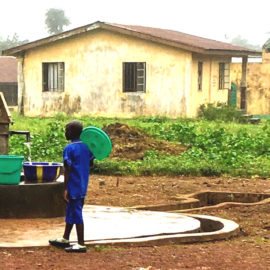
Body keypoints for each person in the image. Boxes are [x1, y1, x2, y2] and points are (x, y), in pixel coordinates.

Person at [49, 120, 94, 253]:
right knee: (71, 211)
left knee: (76, 213)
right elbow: (90, 163)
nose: (65, 133)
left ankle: (81, 244)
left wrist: (65, 188)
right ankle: (65, 238)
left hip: (73, 185)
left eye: (67, 130)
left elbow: (67, 170)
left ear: (73, 132)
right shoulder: (87, 147)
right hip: (82, 184)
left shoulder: (69, 149)